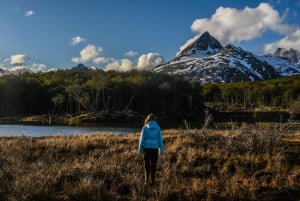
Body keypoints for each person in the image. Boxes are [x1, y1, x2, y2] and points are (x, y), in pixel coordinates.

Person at [138, 113, 164, 186]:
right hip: (155, 149)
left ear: (147, 119)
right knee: (153, 165)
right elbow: (160, 140)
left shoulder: (145, 127)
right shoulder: (158, 128)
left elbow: (141, 140)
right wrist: (161, 149)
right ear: (155, 119)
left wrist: (140, 149)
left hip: (146, 149)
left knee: (146, 165)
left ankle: (146, 182)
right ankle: (153, 182)